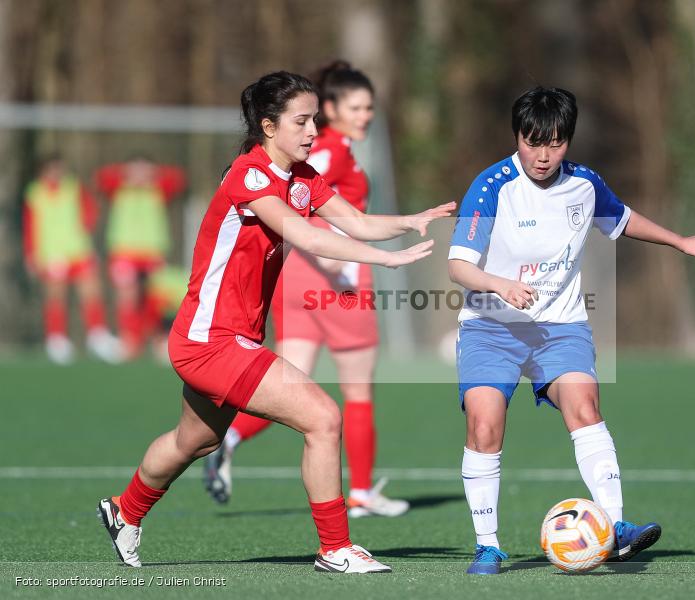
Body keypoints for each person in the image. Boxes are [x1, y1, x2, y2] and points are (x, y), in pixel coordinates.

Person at [96, 71, 454, 573]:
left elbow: (353, 222)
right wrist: (387, 261)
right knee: (324, 418)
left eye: (314, 120)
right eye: (302, 121)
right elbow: (307, 238)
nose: (313, 131)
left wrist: (408, 222)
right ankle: (335, 548)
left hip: (227, 338)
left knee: (193, 441)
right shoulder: (251, 175)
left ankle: (124, 511)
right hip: (210, 340)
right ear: (268, 126)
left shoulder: (302, 177)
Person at [447, 86, 695, 574]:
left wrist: (680, 241)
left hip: (560, 325)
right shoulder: (491, 186)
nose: (543, 154)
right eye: (533, 142)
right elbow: (459, 266)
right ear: (517, 137)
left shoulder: (585, 185)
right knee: (484, 425)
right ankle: (487, 544)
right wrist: (499, 284)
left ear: (568, 140)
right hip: (492, 328)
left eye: (554, 142)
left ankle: (614, 528)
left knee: (585, 406)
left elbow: (622, 218)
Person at [205, 62, 408, 518]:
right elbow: (303, 204)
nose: (366, 115)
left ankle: (230, 436)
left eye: (370, 107)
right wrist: (335, 258)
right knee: (357, 390)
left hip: (296, 281)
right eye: (356, 107)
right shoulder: (329, 152)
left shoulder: (323, 150)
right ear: (331, 108)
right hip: (334, 282)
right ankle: (359, 493)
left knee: (291, 383)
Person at [22, 155, 120, 364]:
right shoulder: (34, 193)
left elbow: (90, 210)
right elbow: (30, 225)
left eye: (60, 169)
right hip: (51, 253)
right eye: (52, 169)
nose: (57, 173)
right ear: (43, 171)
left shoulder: (73, 188)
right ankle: (56, 340)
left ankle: (97, 337)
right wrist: (31, 253)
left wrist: (86, 225)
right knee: (56, 296)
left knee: (91, 291)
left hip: (78, 250)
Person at [95, 156, 186, 359]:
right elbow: (102, 178)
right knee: (128, 296)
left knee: (157, 298)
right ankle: (129, 341)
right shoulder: (119, 187)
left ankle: (159, 340)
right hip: (124, 251)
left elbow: (178, 179)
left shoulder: (157, 188)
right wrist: (127, 173)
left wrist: (152, 174)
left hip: (152, 252)